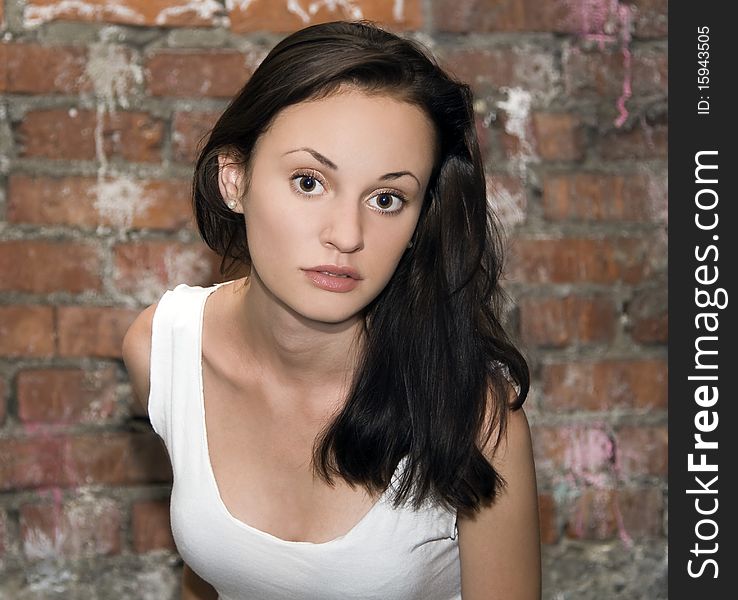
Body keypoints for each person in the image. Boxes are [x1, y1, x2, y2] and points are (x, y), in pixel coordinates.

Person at [122, 19, 541, 600]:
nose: (347, 235)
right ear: (234, 179)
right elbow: (217, 573)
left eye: (387, 198)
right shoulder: (163, 351)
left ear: (421, 221)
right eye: (309, 182)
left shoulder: (472, 416)